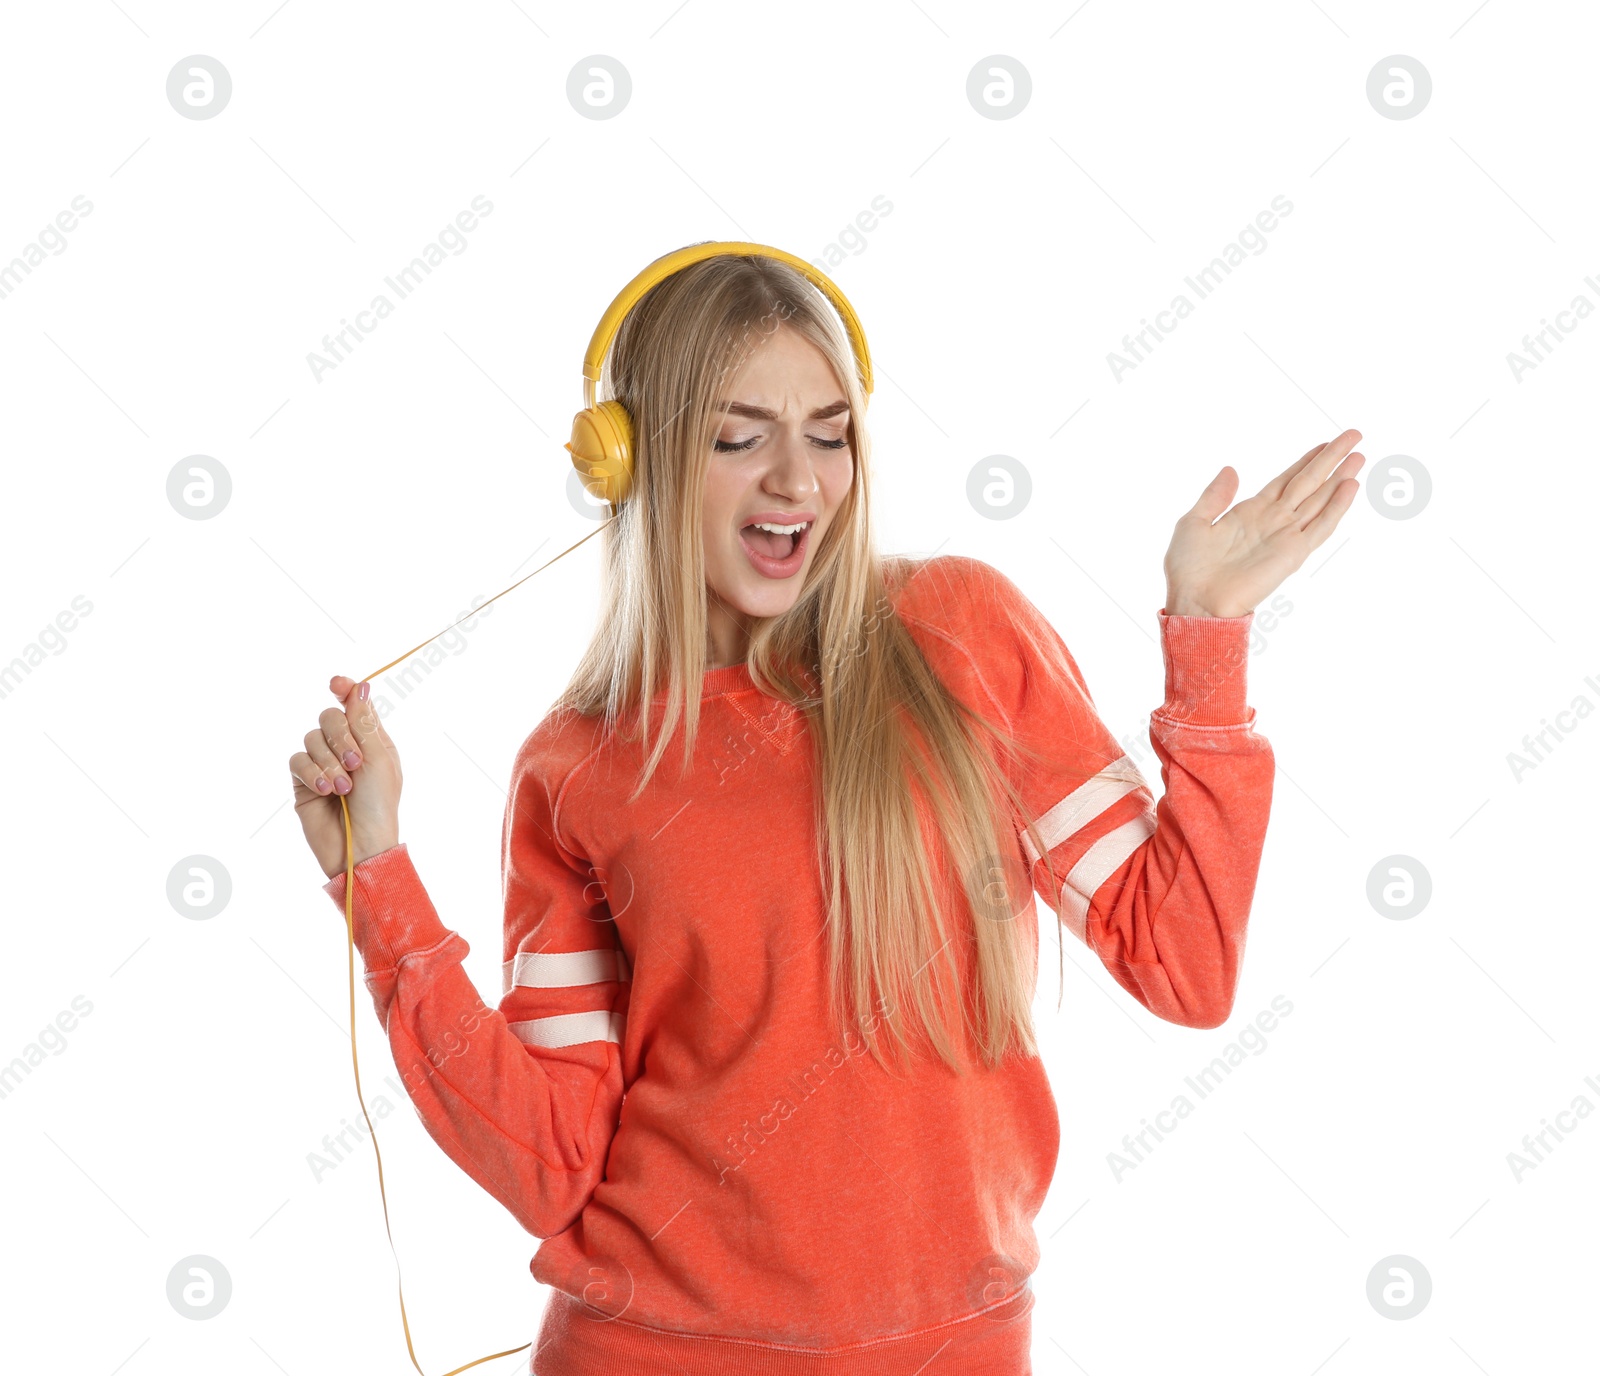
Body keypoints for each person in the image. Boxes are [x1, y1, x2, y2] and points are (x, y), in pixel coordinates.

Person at [288, 244, 1362, 1375]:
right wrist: (381, 882)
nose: (796, 480)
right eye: (738, 436)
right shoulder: (580, 763)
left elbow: (1182, 961)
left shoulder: (961, 631)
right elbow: (550, 1163)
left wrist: (1207, 638)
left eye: (828, 431)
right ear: (629, 462)